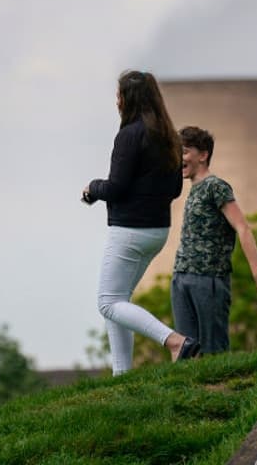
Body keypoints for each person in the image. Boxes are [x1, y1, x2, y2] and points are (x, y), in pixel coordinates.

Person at [83, 70, 199, 375]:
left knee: (107, 302)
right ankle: (122, 376)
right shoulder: (170, 137)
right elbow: (175, 189)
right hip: (157, 231)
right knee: (119, 303)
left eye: (119, 95)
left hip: (129, 232)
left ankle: (175, 342)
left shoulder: (129, 135)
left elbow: (116, 187)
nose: (116, 100)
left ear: (126, 99)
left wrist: (93, 188)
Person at [172, 125, 257, 354]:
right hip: (182, 276)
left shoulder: (216, 187)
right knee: (185, 352)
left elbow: (243, 228)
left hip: (209, 278)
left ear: (203, 155)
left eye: (185, 151)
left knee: (213, 352)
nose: (179, 157)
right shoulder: (192, 189)